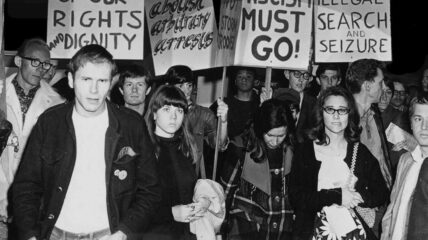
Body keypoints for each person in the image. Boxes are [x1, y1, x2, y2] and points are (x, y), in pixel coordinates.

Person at [12, 44, 161, 240]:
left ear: (111, 83)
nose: (94, 90)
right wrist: (30, 235)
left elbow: (150, 190)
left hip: (110, 235)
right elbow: (26, 186)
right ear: (72, 80)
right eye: (86, 79)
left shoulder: (131, 126)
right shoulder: (50, 122)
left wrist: (125, 232)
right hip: (55, 234)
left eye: (102, 81)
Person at [289, 86, 388, 240]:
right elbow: (296, 197)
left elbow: (381, 192)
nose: (336, 116)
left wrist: (358, 196)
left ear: (350, 113)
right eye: (330, 109)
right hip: (312, 231)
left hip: (351, 232)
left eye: (342, 110)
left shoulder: (360, 152)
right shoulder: (305, 150)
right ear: (321, 112)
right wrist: (337, 196)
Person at [143, 85, 224, 239]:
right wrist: (171, 212)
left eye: (179, 111)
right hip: (154, 233)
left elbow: (188, 190)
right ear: (154, 113)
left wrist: (203, 201)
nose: (173, 117)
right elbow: (134, 203)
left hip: (187, 232)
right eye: (167, 109)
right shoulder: (143, 149)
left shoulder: (187, 147)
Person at [0, 38, 64, 232]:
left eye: (45, 64)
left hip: (32, 205)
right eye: (35, 62)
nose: (41, 68)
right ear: (19, 61)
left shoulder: (57, 104)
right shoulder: (1, 93)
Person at [221, 99, 295, 240]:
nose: (275, 141)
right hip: (246, 224)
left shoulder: (292, 150)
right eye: (270, 135)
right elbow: (226, 191)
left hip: (282, 225)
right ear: (260, 129)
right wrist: (220, 225)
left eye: (281, 136)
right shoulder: (241, 147)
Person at [164, 65, 228, 178]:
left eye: (189, 85)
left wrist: (223, 122)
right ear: (168, 87)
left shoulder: (204, 114)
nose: (186, 90)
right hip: (164, 173)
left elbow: (219, 145)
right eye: (180, 86)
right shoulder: (159, 111)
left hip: (190, 175)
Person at [381, 96, 428, 240]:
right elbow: (392, 208)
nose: (425, 127)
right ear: (411, 123)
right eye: (418, 119)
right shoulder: (405, 160)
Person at [210, 67, 259, 138]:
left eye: (248, 76)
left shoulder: (261, 103)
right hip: (227, 147)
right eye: (240, 76)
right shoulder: (223, 103)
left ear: (255, 81)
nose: (244, 79)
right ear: (235, 81)